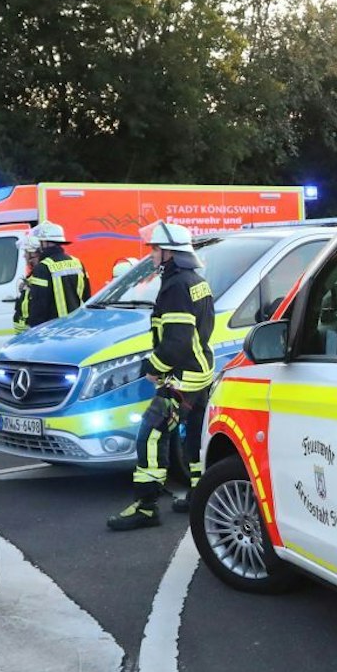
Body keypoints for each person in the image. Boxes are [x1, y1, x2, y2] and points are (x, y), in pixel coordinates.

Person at [108, 222, 215, 531]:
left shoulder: (175, 286)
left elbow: (177, 340)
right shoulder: (195, 280)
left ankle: (146, 506)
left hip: (180, 376)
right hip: (199, 372)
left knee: (152, 433)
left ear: (170, 252)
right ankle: (198, 493)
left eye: (155, 249)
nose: (152, 254)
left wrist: (153, 368)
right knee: (193, 436)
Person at [20, 221, 90, 327]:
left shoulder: (43, 267)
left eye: (39, 242)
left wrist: (34, 331)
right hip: (77, 325)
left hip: (55, 329)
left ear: (45, 243)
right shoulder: (77, 263)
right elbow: (87, 296)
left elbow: (39, 306)